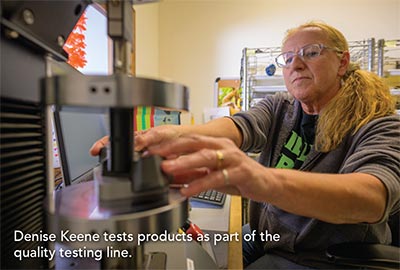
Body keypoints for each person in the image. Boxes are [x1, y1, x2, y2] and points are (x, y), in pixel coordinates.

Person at [90, 21, 400, 269]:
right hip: (267, 240)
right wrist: (172, 137)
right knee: (202, 256)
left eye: (311, 52)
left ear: (343, 61)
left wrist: (259, 180)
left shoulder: (378, 125)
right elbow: (236, 127)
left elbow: (371, 197)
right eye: (288, 58)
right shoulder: (280, 107)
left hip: (318, 258)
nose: (296, 64)